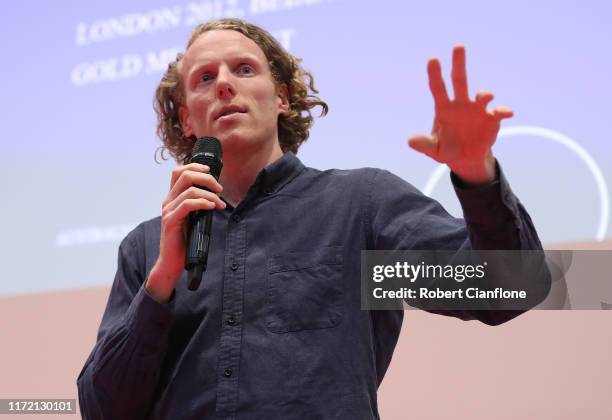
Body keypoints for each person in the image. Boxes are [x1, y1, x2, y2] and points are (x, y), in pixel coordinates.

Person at [77, 18, 544, 419]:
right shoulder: (145, 247)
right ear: (186, 121)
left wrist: (475, 174)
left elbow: (506, 292)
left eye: (243, 69)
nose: (223, 84)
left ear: (281, 97)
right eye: (203, 78)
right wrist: (161, 282)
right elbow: (103, 409)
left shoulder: (361, 204)